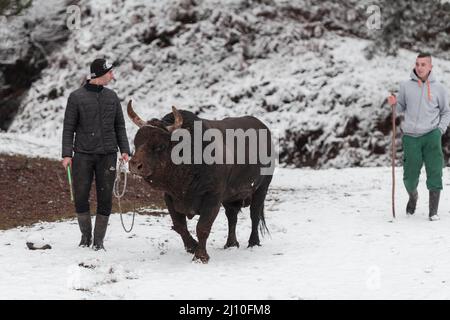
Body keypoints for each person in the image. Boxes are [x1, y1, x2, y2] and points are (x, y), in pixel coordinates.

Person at [61, 58, 130, 249]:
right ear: (99, 74)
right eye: (110, 72)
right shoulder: (76, 97)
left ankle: (98, 242)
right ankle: (85, 237)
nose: (112, 76)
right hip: (83, 154)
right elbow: (69, 128)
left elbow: (120, 126)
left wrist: (125, 149)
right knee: (81, 195)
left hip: (108, 154)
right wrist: (66, 154)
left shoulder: (112, 97)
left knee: (105, 197)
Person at [388, 52, 450, 221]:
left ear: (430, 66)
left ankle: (433, 211)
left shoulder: (440, 88)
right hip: (410, 137)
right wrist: (394, 103)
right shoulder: (406, 86)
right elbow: (400, 107)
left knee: (435, 171)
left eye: (423, 64)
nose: (420, 67)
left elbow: (446, 112)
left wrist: (439, 130)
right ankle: (413, 196)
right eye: (417, 64)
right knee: (409, 176)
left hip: (431, 134)